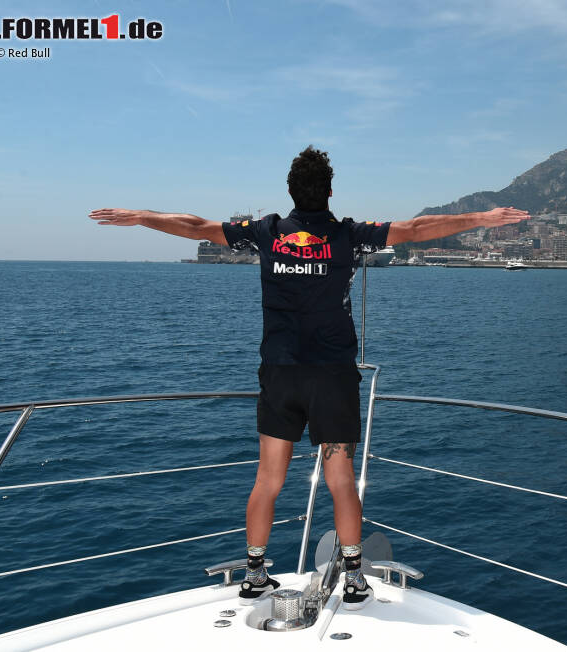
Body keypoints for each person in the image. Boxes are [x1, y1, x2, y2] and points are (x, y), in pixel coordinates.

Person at [89, 146, 529, 609]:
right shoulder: (350, 236)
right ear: (331, 192)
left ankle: (255, 573)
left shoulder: (266, 233)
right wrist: (483, 216)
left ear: (290, 192)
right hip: (333, 376)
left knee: (268, 480)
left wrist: (139, 216)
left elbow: (196, 227)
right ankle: (355, 579)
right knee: (340, 479)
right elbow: (418, 229)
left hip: (280, 373)